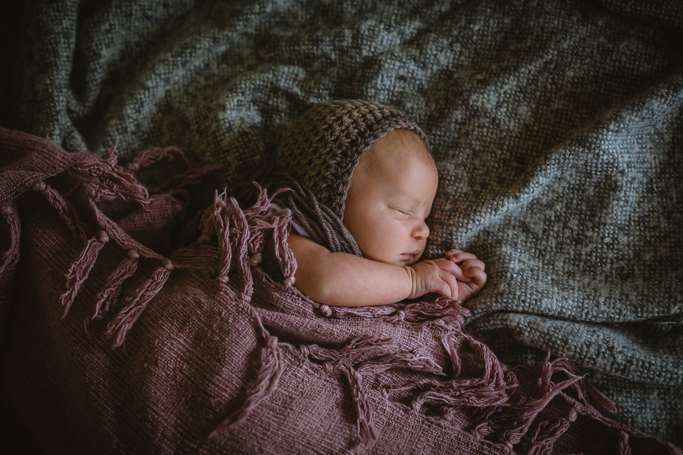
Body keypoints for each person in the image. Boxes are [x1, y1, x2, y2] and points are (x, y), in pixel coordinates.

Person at [245, 100, 486, 307]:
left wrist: (445, 291)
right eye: (402, 211)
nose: (424, 230)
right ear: (332, 201)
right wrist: (413, 281)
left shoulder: (391, 267)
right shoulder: (285, 231)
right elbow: (327, 281)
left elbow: (385, 301)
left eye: (425, 216)